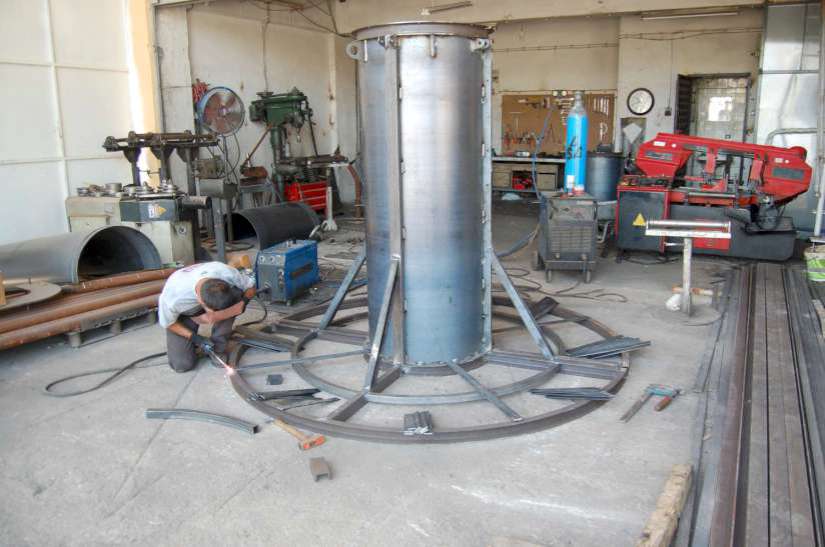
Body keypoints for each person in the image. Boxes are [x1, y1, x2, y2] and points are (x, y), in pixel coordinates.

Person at [158, 262, 256, 372]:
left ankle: (218, 348)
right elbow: (168, 324)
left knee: (237, 292)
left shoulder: (225, 272)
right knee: (182, 364)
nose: (217, 313)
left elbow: (251, 287)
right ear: (201, 302)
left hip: (209, 299)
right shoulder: (173, 298)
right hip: (185, 313)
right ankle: (192, 336)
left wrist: (243, 302)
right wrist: (196, 338)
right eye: (213, 310)